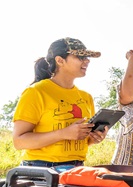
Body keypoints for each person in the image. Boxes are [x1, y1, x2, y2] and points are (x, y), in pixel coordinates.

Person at [12, 37, 106, 168]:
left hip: (76, 169)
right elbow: (19, 141)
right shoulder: (36, 92)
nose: (87, 61)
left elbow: (79, 140)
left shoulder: (86, 97)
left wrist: (93, 138)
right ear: (60, 60)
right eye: (80, 57)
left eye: (87, 57)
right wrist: (63, 133)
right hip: (41, 171)